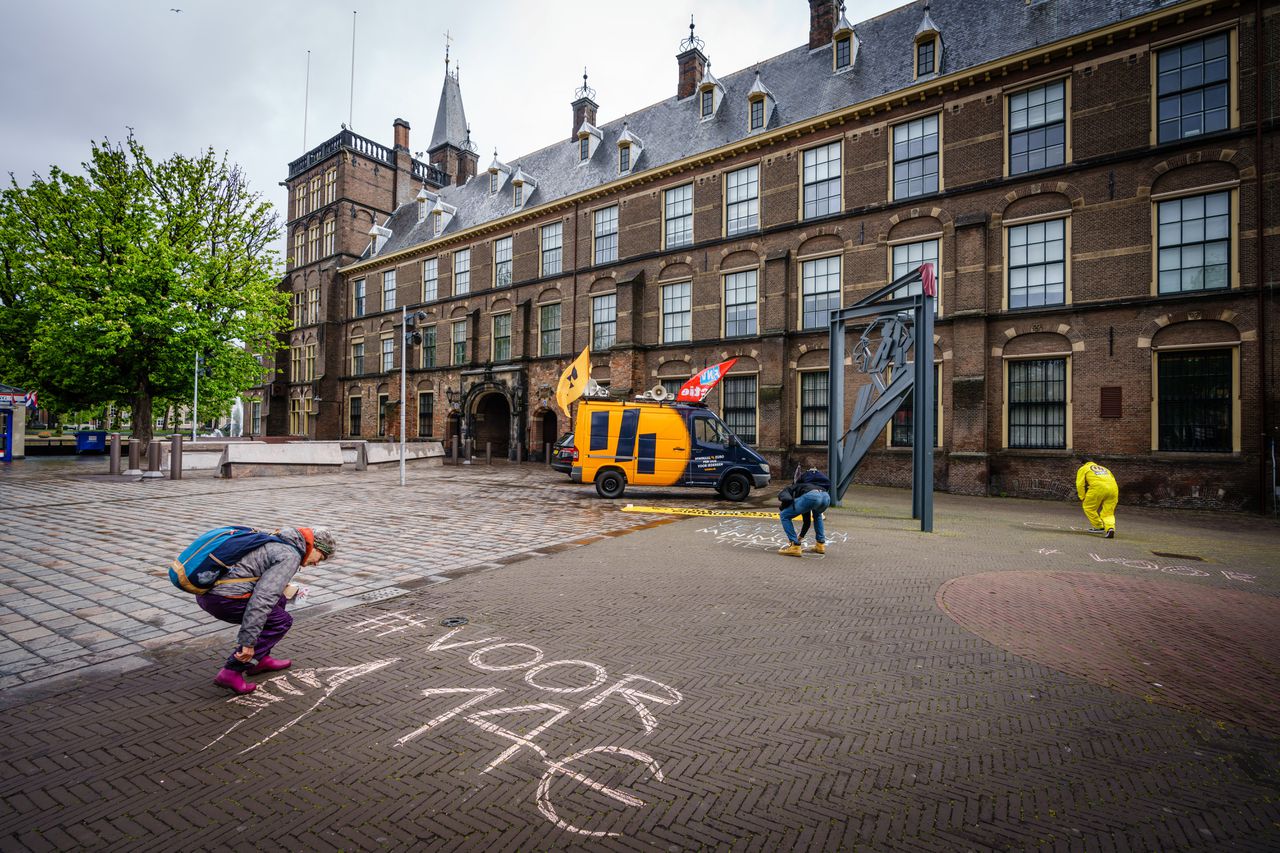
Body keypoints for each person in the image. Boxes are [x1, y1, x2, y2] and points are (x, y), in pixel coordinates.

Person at [197, 527, 337, 694]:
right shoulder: (290, 556)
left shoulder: (280, 539)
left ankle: (260, 659)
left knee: (280, 599)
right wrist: (248, 642)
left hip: (210, 593)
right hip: (224, 600)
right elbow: (262, 600)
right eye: (320, 558)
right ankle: (232, 671)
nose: (315, 564)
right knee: (281, 621)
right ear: (315, 547)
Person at [778, 467, 832, 556]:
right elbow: (806, 521)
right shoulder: (812, 486)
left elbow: (784, 498)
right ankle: (820, 545)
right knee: (817, 516)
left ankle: (794, 546)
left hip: (812, 496)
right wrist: (801, 536)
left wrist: (784, 507)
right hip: (826, 496)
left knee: (784, 515)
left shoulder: (795, 487)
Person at [1075, 460, 1118, 538]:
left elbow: (1080, 484)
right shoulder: (1104, 469)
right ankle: (1110, 528)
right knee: (1108, 512)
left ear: (1083, 463)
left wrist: (1082, 496)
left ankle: (1098, 526)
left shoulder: (1084, 468)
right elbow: (1112, 479)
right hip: (1113, 489)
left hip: (1098, 488)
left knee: (1088, 507)